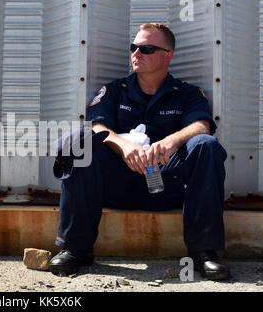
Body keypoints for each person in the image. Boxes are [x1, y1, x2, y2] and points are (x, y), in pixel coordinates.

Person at [49, 23, 231, 281]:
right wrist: (125, 147)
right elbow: (97, 125)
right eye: (133, 47)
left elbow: (202, 125)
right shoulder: (114, 90)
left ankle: (204, 253)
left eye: (146, 49)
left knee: (206, 144)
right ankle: (75, 249)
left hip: (166, 186)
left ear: (167, 55)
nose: (136, 53)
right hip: (118, 184)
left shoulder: (187, 93)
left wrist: (171, 142)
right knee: (79, 138)